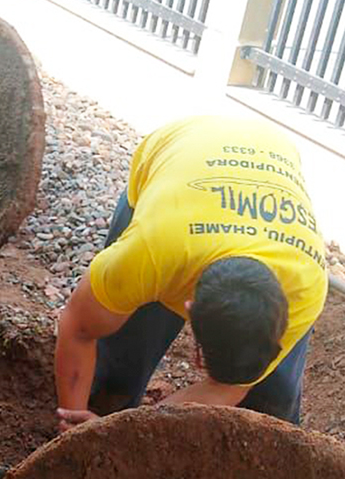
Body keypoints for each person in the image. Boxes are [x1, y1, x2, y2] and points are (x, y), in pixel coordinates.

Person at [54, 116, 328, 431]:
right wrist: (74, 429)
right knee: (120, 363)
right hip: (180, 152)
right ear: (188, 308)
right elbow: (79, 329)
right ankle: (108, 401)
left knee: (272, 405)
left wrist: (131, 435)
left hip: (266, 150)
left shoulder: (306, 288)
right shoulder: (149, 253)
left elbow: (228, 388)